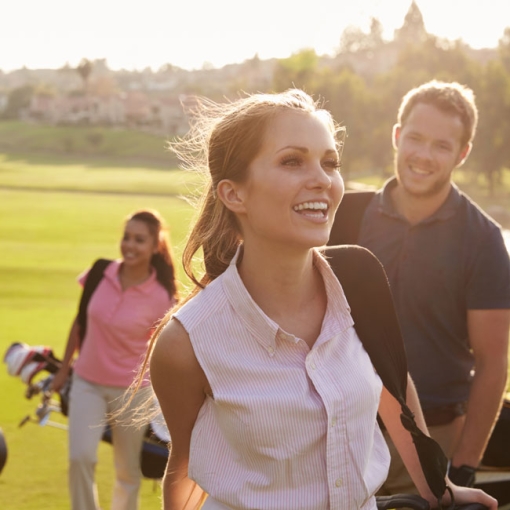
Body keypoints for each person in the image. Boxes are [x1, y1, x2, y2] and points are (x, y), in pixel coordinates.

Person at [142, 89, 495, 510]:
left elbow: (392, 387)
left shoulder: (360, 279)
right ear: (234, 194)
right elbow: (186, 468)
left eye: (330, 163)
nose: (323, 180)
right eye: (292, 161)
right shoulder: (186, 343)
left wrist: (439, 488)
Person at [330, 80, 510, 493]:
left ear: (462, 153)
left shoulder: (482, 240)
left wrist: (462, 467)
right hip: (338, 428)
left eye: (442, 146)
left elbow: (492, 363)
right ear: (397, 136)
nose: (423, 156)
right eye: (415, 138)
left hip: (430, 437)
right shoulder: (344, 217)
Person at [51, 209, 178, 510]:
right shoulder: (99, 273)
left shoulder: (162, 296)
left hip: (132, 393)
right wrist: (63, 371)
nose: (130, 245)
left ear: (153, 246)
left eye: (139, 240)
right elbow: (80, 323)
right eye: (126, 237)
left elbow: (163, 348)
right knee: (80, 457)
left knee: (127, 471)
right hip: (86, 382)